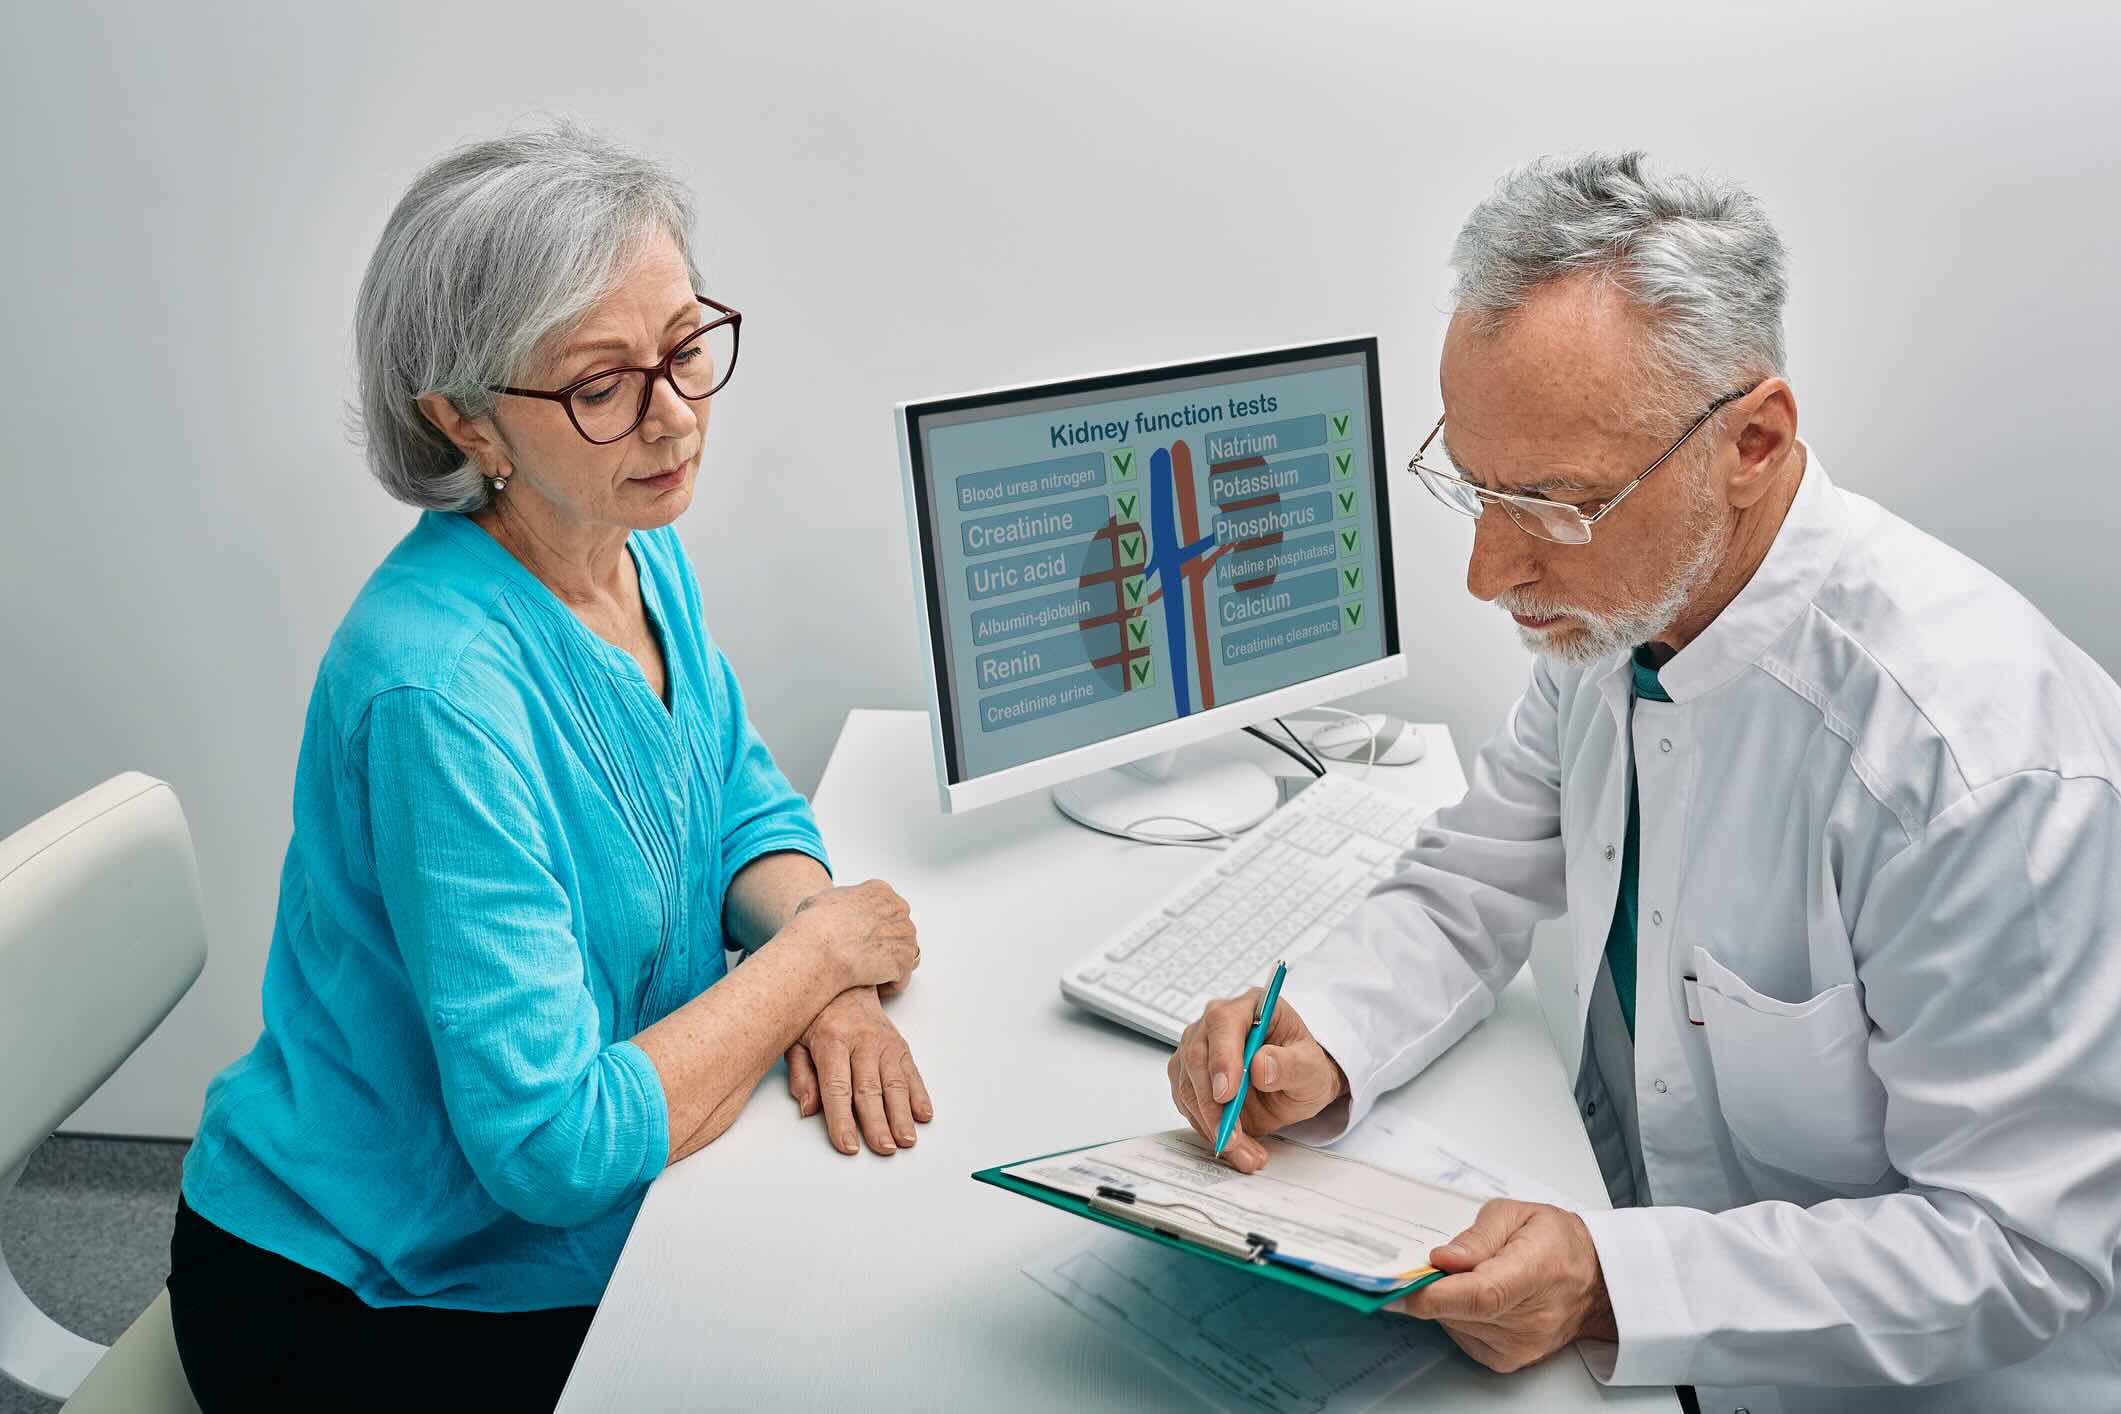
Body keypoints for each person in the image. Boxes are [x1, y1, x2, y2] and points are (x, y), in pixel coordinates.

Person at [1167, 152, 2121, 1413]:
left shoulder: (1977, 765)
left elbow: (2021, 1249)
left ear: (1755, 440)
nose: (1488, 570)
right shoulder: (1622, 622)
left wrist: (1620, 1282)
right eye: (1472, 484)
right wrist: (1322, 1034)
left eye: (1552, 505)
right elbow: (1476, 875)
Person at [169, 118, 933, 1411]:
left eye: (687, 347)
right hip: (374, 1286)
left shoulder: (625, 537)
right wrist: (814, 957)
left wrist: (831, 983)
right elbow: (551, 1144)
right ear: (464, 420)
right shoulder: (437, 692)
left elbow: (735, 798)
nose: (675, 413)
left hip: (580, 1205)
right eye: (602, 383)